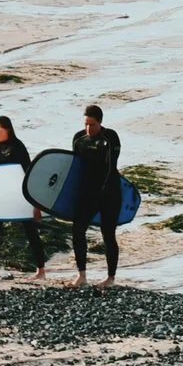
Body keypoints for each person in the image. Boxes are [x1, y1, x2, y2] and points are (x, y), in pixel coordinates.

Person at [0, 116, 45, 284]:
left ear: (8, 129)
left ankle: (41, 270)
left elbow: (29, 174)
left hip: (21, 194)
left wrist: (35, 203)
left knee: (30, 230)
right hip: (3, 194)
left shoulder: (18, 147)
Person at [69, 104, 123, 286]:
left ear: (100, 122)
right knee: (77, 231)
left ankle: (110, 278)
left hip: (110, 192)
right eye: (85, 124)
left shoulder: (111, 137)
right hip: (88, 192)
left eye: (92, 124)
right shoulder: (79, 139)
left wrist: (100, 191)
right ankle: (82, 275)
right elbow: (75, 168)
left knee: (108, 234)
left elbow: (110, 167)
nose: (88, 128)